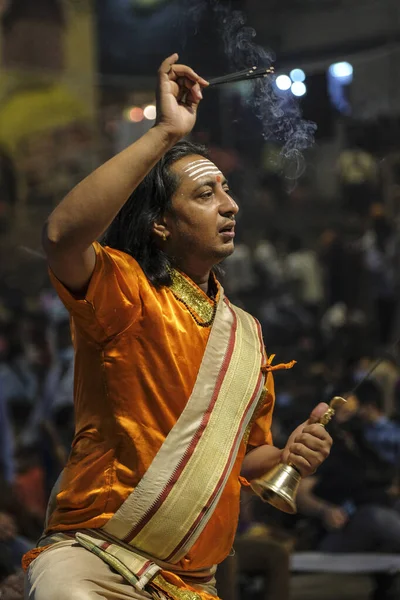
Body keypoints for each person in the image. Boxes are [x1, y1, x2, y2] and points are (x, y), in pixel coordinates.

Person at [24, 54, 332, 600]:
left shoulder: (247, 334)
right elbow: (61, 238)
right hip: (97, 561)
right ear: (161, 223)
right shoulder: (126, 290)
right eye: (206, 194)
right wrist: (166, 132)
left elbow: (246, 458)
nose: (231, 205)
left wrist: (287, 457)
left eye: (227, 191)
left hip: (192, 583)